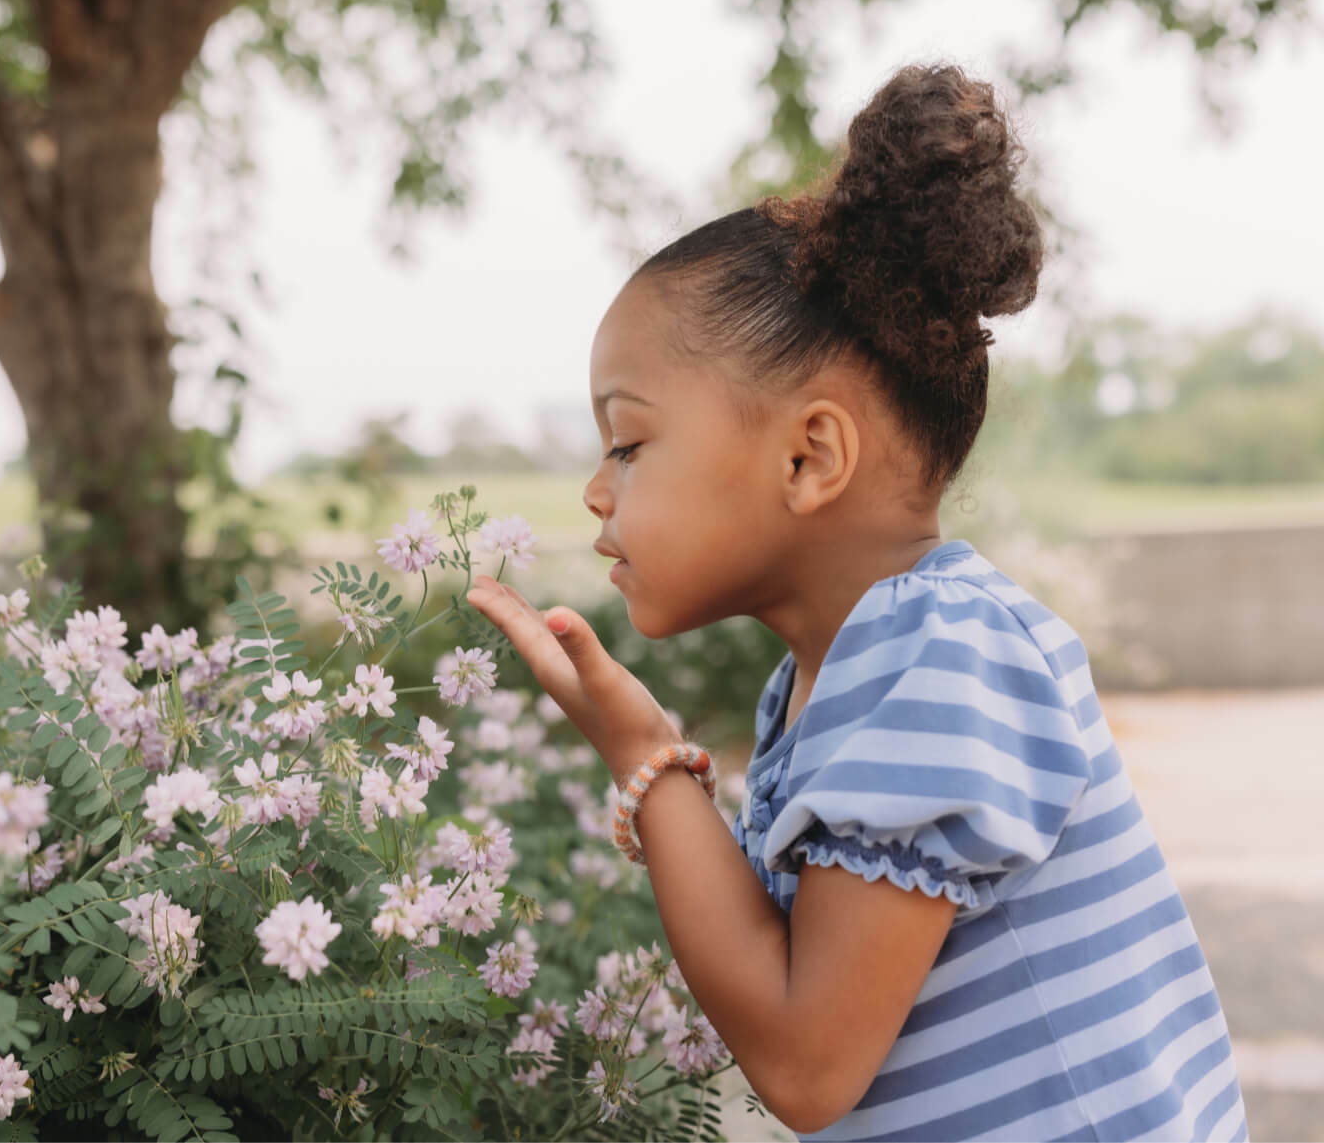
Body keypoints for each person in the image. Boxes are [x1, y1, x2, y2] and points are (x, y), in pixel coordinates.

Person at [465, 61, 1247, 1142]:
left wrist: (643, 760)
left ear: (809, 456)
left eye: (630, 442)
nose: (597, 491)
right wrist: (654, 758)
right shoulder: (841, 675)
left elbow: (805, 1059)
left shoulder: (936, 651)